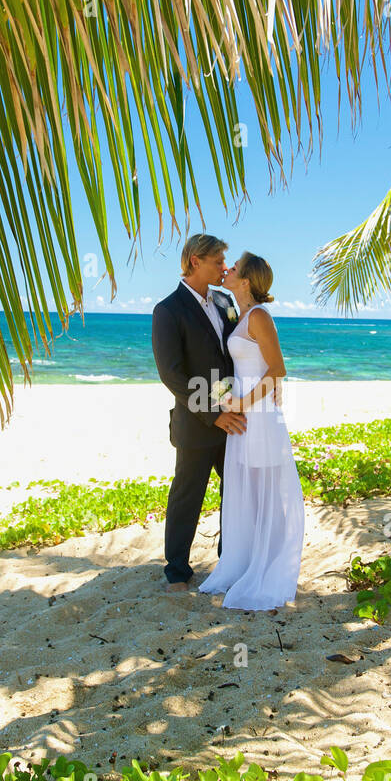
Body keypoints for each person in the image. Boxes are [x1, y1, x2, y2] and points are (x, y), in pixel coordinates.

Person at [198, 252, 304, 610]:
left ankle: (267, 566)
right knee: (247, 490)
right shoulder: (240, 314)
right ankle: (244, 562)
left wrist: (242, 403)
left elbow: (277, 369)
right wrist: (225, 397)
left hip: (259, 416)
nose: (227, 270)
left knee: (263, 491)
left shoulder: (258, 316)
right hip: (245, 414)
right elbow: (237, 366)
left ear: (246, 281)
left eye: (235, 268)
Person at [151, 234, 245, 591]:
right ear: (195, 261)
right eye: (218, 261)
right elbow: (172, 374)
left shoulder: (225, 302)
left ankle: (229, 560)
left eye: (224, 261)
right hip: (196, 422)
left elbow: (234, 355)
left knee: (235, 491)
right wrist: (213, 414)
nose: (224, 267)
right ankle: (177, 570)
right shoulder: (168, 310)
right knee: (187, 495)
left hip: (234, 417)